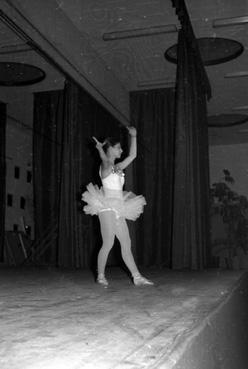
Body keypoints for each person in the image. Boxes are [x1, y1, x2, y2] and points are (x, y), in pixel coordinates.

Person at [82, 126, 154, 288]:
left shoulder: (117, 167)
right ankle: (100, 276)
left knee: (126, 243)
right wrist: (101, 149)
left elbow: (133, 155)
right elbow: (105, 159)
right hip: (107, 207)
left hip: (119, 207)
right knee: (108, 242)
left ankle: (137, 277)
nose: (121, 150)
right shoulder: (107, 165)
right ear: (110, 150)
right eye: (118, 147)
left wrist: (134, 137)